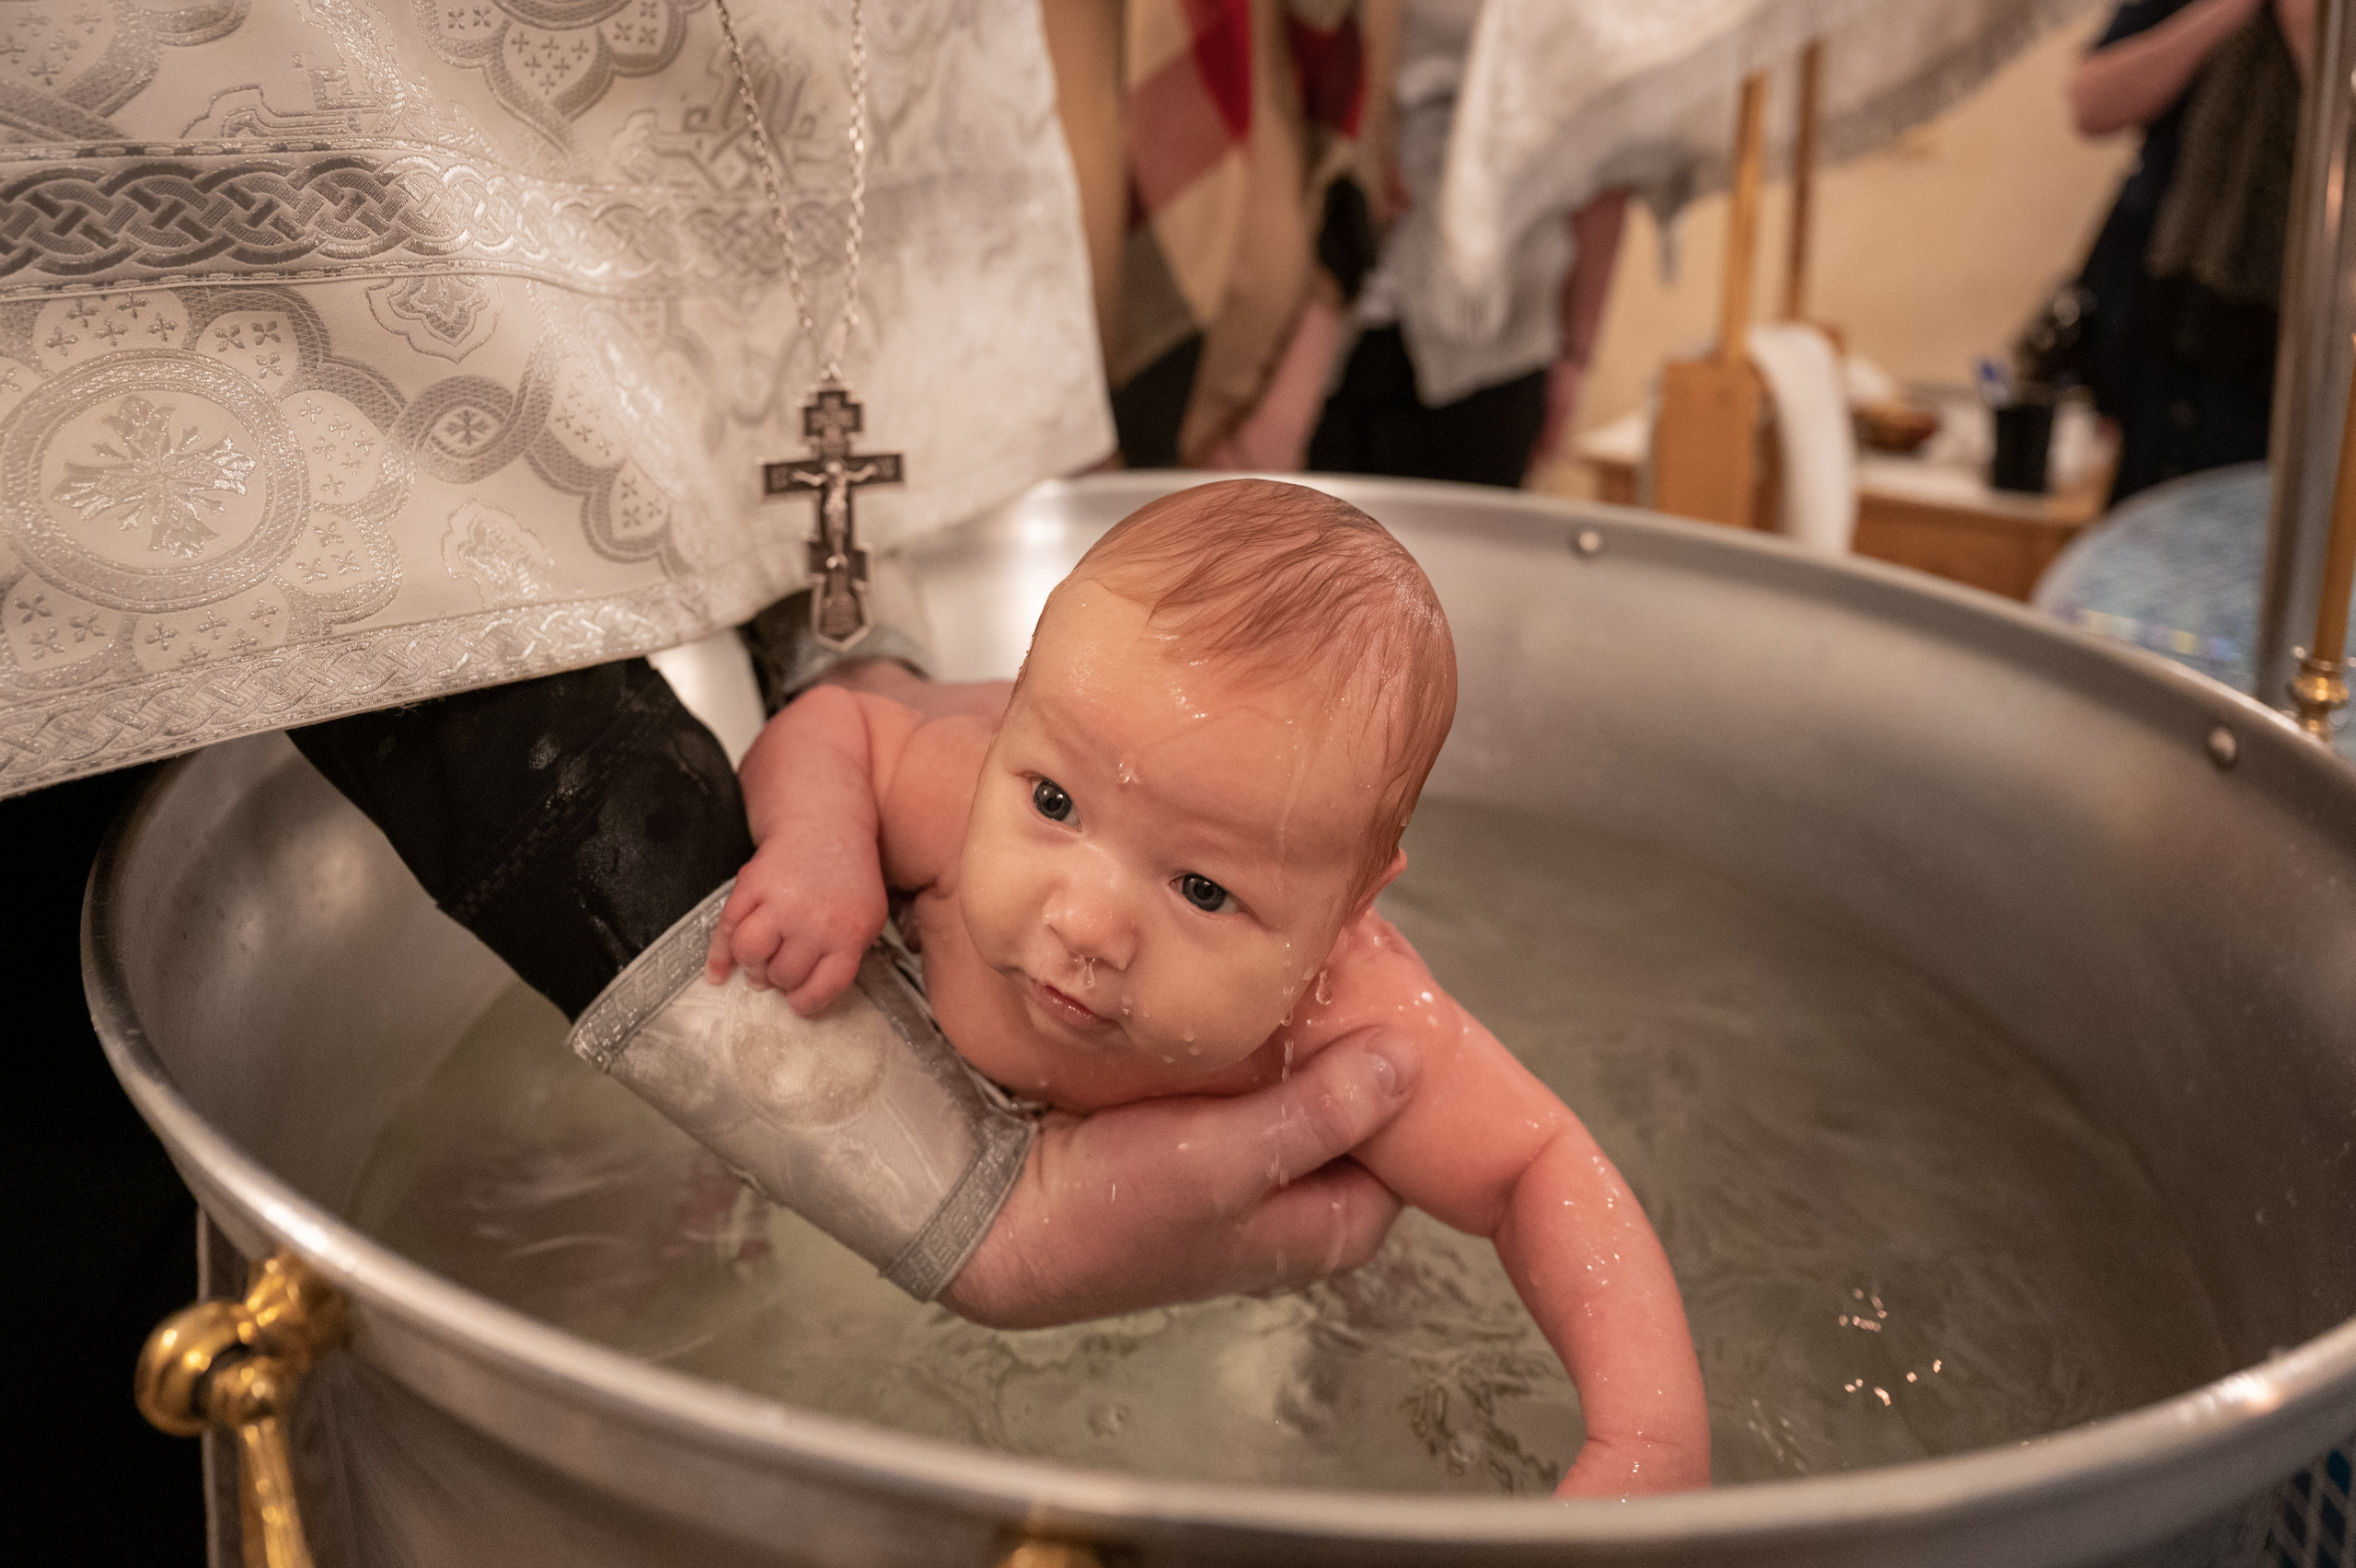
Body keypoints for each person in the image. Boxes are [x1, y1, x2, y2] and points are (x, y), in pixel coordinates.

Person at [706, 478, 1712, 1495]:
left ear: (1349, 914)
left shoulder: (1344, 1018)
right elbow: (836, 722)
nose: (1085, 924)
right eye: (1056, 800)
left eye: (1202, 888)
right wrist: (821, 843)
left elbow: (1537, 1167)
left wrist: (1647, 1442)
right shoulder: (959, 805)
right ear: (1012, 719)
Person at [2069, 0, 2309, 502]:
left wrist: (2304, 21)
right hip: (2168, 308)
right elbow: (2091, 105)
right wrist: (2224, 12)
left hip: (2301, 334)